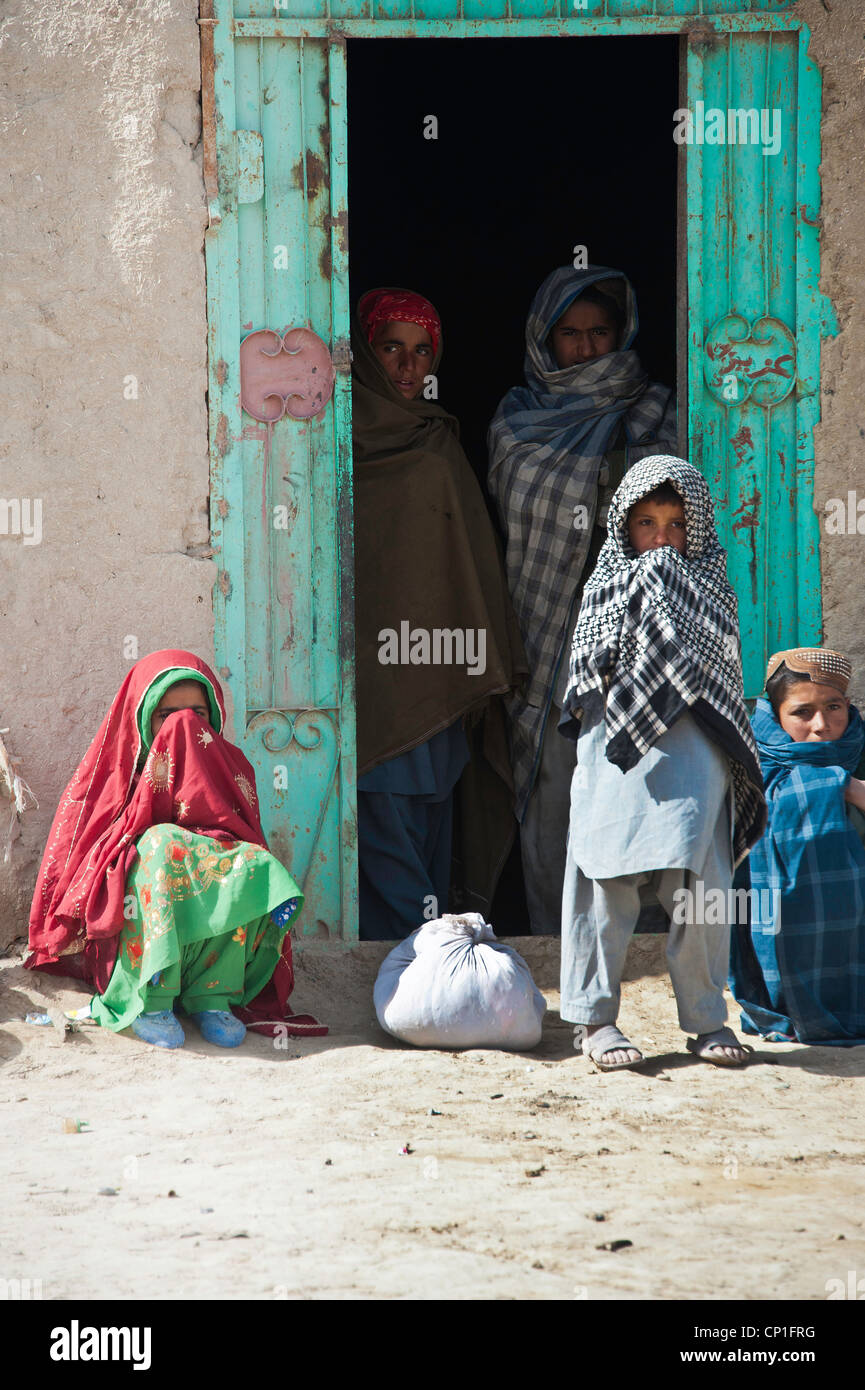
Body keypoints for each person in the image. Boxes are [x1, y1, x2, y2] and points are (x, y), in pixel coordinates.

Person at [558, 455, 767, 1070]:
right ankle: (595, 1021)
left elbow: (723, 682)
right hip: (616, 759)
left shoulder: (712, 591)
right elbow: (581, 684)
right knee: (603, 881)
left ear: (694, 529)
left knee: (703, 887)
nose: (661, 540)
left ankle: (705, 1022)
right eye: (646, 524)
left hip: (693, 756)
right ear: (625, 529)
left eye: (676, 525)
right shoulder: (605, 589)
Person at [488, 265, 677, 936]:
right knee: (552, 792)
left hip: (640, 629)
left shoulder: (656, 409)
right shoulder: (517, 420)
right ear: (544, 338)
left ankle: (647, 945)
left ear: (622, 332)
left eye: (600, 331)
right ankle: (557, 941)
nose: (585, 348)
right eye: (568, 333)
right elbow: (517, 515)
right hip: (548, 631)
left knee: (645, 779)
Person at [25, 650, 316, 1049]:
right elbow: (91, 862)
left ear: (213, 716)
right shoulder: (117, 774)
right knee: (162, 847)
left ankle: (212, 995)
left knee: (250, 864)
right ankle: (152, 999)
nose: (184, 725)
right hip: (134, 921)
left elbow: (246, 836)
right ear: (143, 718)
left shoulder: (234, 768)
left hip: (209, 927)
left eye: (197, 713)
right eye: (168, 715)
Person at [351, 288, 526, 939]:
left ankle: (432, 958)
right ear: (363, 353)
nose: (405, 365)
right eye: (389, 347)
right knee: (381, 818)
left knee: (431, 816)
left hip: (441, 672)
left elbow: (467, 561)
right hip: (374, 676)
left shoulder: (439, 441)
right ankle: (417, 959)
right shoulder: (329, 438)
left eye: (420, 351)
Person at [729, 648, 865, 1045]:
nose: (821, 726)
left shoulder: (859, 747)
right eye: (802, 712)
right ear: (775, 714)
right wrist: (845, 786)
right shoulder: (748, 761)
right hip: (770, 922)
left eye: (834, 707)